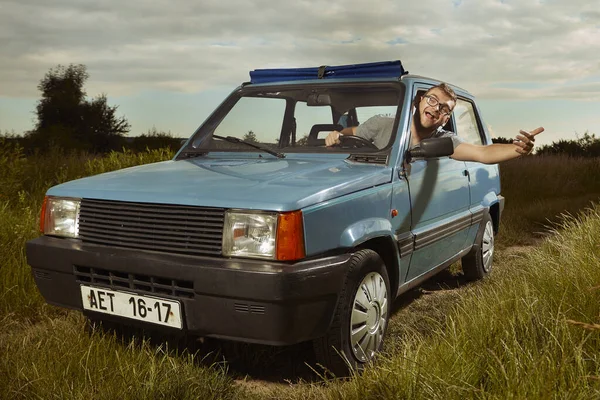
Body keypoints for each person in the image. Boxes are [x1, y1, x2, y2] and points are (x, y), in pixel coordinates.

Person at [325, 83, 544, 163]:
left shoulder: (443, 140)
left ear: (446, 118)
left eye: (443, 108)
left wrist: (518, 149)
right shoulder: (382, 123)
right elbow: (352, 132)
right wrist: (336, 135)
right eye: (432, 100)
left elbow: (483, 153)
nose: (435, 108)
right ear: (420, 101)